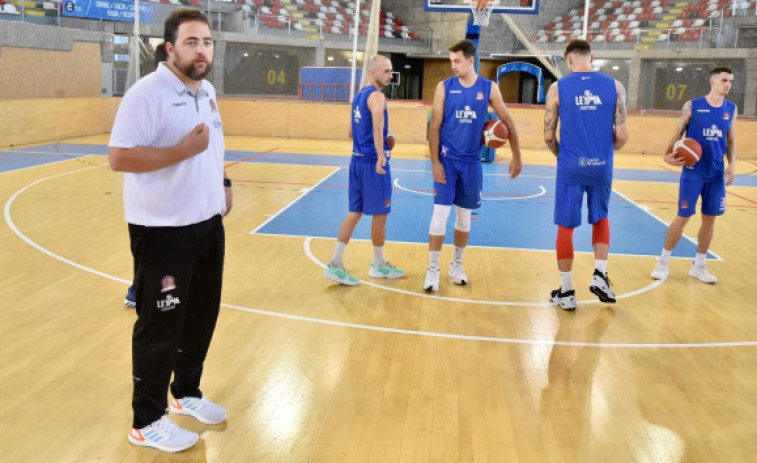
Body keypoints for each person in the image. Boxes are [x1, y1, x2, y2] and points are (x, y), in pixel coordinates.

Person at [109, 8, 232, 453]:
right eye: (191, 42)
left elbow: (213, 145)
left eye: (207, 42)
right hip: (162, 232)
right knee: (160, 325)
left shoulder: (208, 91)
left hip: (206, 226)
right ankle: (147, 420)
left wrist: (223, 183)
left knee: (200, 318)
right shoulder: (147, 93)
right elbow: (120, 158)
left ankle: (185, 395)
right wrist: (183, 151)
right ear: (170, 48)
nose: (202, 50)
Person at [423, 39, 522, 292]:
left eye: (457, 61)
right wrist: (435, 161)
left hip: (471, 163)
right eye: (450, 61)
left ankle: (457, 264)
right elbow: (434, 128)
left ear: (470, 60)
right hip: (446, 160)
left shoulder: (488, 88)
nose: (452, 66)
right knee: (440, 213)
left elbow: (507, 120)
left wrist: (516, 155)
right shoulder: (444, 87)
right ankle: (432, 269)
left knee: (464, 217)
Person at [543, 38, 629, 310]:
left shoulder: (557, 87)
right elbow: (623, 136)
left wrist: (561, 155)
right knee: (601, 218)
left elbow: (548, 135)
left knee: (566, 227)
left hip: (570, 164)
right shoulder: (615, 87)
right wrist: (604, 150)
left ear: (568, 60)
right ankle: (600, 274)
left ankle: (566, 292)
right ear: (592, 57)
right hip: (601, 165)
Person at [323, 55, 405, 285]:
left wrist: (368, 142)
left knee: (355, 212)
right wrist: (381, 154)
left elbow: (351, 133)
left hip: (356, 161)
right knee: (380, 214)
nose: (390, 76)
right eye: (386, 71)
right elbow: (378, 125)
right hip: (372, 163)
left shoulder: (358, 97)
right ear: (373, 73)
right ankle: (378, 265)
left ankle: (335, 264)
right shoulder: (377, 96)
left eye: (391, 71)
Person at [650, 67, 737, 283]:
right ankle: (663, 261)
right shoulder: (693, 106)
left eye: (731, 81)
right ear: (713, 81)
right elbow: (677, 133)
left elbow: (732, 140)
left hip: (716, 174)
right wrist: (666, 155)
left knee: (709, 220)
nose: (728, 85)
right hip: (693, 172)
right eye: (725, 80)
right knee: (683, 216)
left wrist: (732, 164)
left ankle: (699, 265)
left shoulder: (731, 109)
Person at [124, 43, 169, 309]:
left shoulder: (196, 94)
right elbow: (122, 156)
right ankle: (137, 291)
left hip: (170, 202)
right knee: (153, 256)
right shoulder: (145, 96)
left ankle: (141, 291)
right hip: (152, 202)